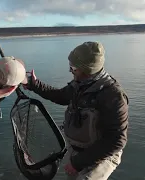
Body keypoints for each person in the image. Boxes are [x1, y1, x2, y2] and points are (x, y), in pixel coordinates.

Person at [23, 41, 129, 180]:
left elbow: (116, 140)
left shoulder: (113, 95)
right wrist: (34, 85)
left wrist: (77, 163)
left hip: (101, 156)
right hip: (77, 151)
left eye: (73, 68)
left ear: (87, 70)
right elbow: (61, 96)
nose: (70, 71)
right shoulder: (80, 84)